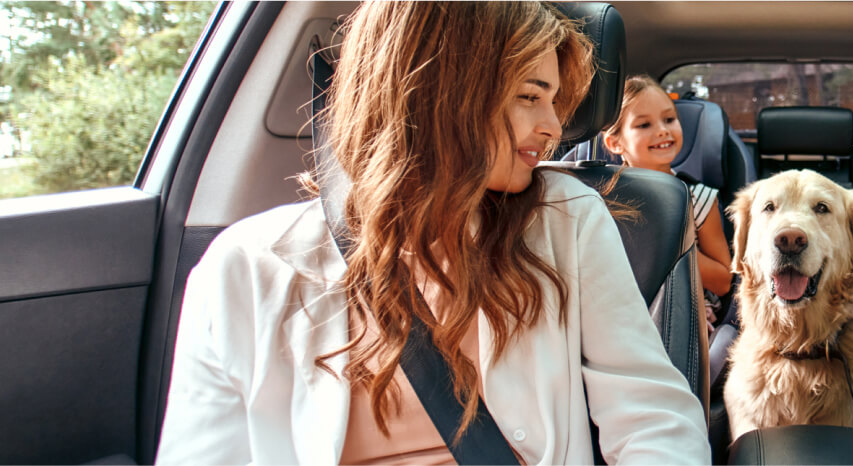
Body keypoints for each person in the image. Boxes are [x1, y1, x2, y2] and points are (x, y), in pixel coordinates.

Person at [155, 3, 710, 464]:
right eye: (529, 95)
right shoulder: (244, 270)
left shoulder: (567, 218)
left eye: (554, 101)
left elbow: (652, 418)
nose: (554, 127)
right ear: (441, 90)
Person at [601, 75, 735, 327]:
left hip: (684, 312)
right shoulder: (602, 200)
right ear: (615, 142)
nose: (662, 130)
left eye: (669, 119)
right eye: (644, 125)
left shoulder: (699, 199)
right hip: (618, 311)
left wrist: (666, 244)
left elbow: (723, 281)